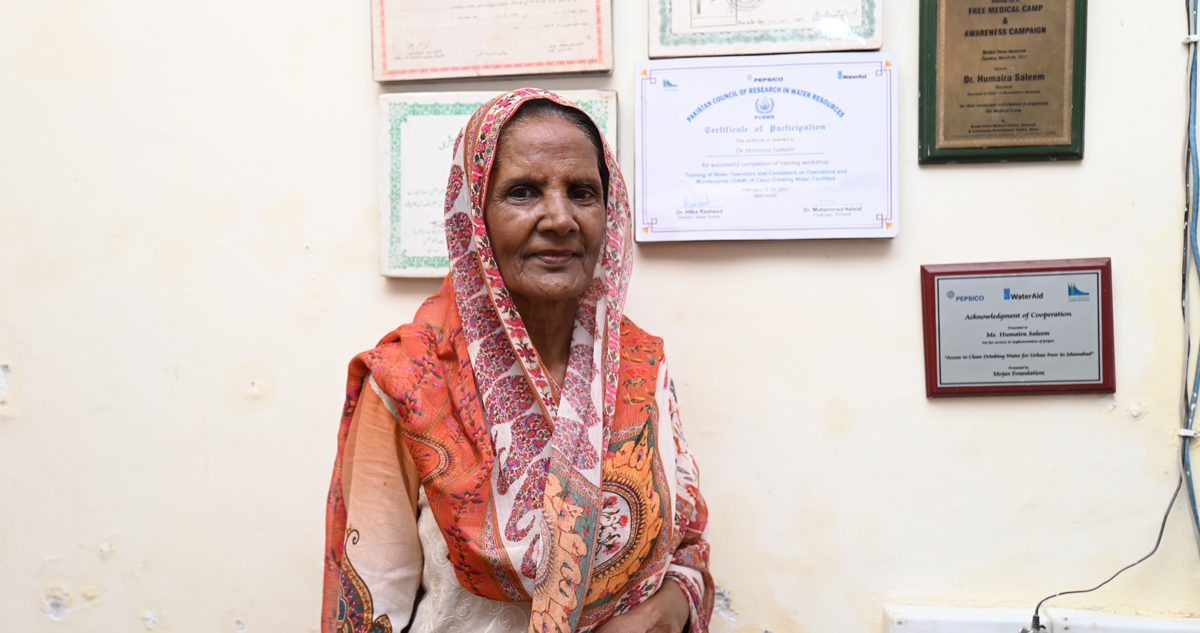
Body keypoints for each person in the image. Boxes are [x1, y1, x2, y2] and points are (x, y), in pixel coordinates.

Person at [322, 88, 712, 633]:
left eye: (582, 192)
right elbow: (369, 609)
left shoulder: (640, 362)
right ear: (474, 220)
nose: (560, 218)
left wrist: (659, 612)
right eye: (523, 192)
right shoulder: (407, 381)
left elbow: (687, 546)